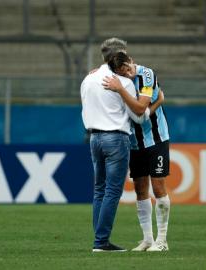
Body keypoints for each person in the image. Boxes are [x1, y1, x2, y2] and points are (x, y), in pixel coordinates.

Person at [80, 38, 149, 252]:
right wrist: (151, 106)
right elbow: (138, 117)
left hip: (94, 138)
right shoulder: (123, 84)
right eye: (125, 56)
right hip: (116, 139)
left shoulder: (88, 79)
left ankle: (100, 239)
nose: (128, 60)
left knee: (99, 190)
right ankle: (101, 242)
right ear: (116, 58)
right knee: (112, 191)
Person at [103, 51, 171, 252]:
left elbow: (141, 110)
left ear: (132, 61)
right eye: (123, 73)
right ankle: (148, 239)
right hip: (134, 142)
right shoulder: (118, 79)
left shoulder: (146, 75)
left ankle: (162, 241)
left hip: (156, 139)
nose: (129, 75)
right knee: (140, 189)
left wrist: (121, 90)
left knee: (158, 187)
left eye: (129, 69)